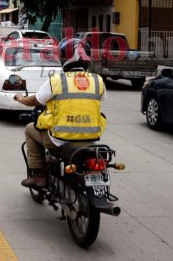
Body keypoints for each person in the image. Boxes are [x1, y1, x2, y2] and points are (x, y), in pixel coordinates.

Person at [14, 37, 107, 188]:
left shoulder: (57, 80)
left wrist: (20, 98)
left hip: (60, 138)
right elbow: (100, 98)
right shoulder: (97, 80)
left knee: (30, 129)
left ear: (64, 57)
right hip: (91, 136)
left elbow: (36, 100)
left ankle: (39, 175)